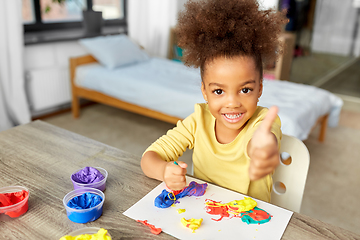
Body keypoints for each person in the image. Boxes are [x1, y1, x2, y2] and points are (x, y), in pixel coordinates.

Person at [141, 0, 288, 202]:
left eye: (245, 89)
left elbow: (260, 143)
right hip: (202, 217)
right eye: (219, 91)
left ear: (260, 88)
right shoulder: (198, 121)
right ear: (204, 91)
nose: (232, 102)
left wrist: (263, 148)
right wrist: (164, 170)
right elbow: (149, 157)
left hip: (250, 223)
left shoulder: (262, 123)